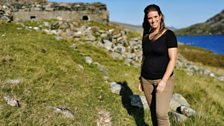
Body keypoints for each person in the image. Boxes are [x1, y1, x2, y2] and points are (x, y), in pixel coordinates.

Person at [138, 4, 178, 126]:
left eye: (155, 16)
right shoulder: (146, 36)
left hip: (162, 80)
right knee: (154, 113)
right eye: (150, 18)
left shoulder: (169, 35)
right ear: (147, 19)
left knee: (161, 114)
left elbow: (173, 59)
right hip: (146, 80)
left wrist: (164, 81)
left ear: (160, 17)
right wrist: (140, 79)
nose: (153, 20)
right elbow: (144, 58)